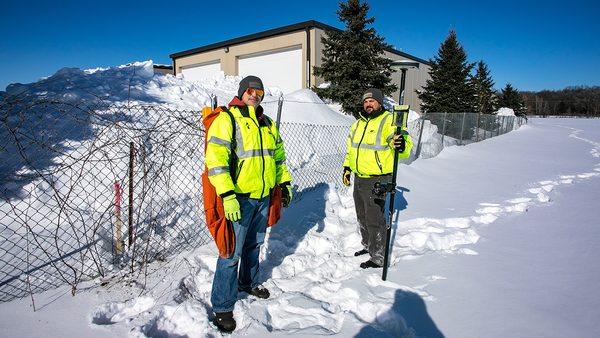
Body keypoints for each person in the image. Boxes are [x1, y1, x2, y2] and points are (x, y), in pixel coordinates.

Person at [205, 75, 293, 332]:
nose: (254, 95)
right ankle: (222, 306)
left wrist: (284, 184)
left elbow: (278, 158)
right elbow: (216, 161)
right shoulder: (227, 119)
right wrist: (227, 195)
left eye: (259, 91)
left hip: (263, 196)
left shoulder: (267, 123)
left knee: (255, 245)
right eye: (250, 90)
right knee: (231, 253)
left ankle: (248, 282)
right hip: (239, 199)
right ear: (242, 92)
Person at [342, 88, 412, 269]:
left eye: (372, 101)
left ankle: (378, 256)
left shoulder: (389, 121)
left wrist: (401, 144)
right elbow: (351, 149)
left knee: (374, 218)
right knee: (361, 215)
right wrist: (347, 168)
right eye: (365, 101)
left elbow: (403, 145)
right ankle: (368, 245)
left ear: (380, 103)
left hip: (378, 177)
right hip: (359, 177)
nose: (368, 104)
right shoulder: (357, 123)